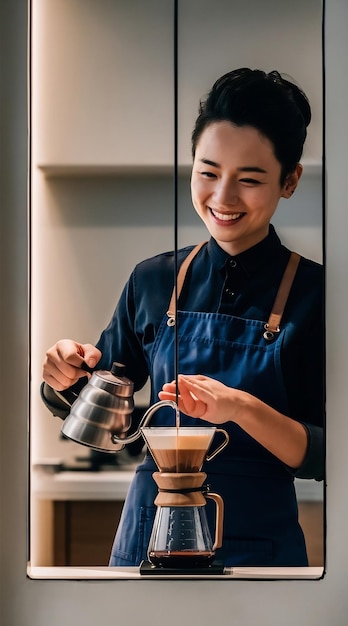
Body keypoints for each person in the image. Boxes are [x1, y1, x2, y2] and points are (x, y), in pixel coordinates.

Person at [41, 68, 324, 567]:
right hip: (146, 537)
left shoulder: (319, 295)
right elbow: (109, 415)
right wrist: (65, 377)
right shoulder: (152, 281)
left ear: (290, 180)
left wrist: (240, 407)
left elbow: (328, 453)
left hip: (262, 552)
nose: (223, 197)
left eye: (250, 179)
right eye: (208, 172)